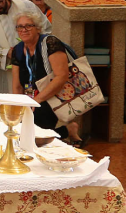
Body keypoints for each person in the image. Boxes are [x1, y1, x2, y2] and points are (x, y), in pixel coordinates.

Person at [10, 12, 80, 140]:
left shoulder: (50, 43)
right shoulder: (17, 50)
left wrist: (37, 101)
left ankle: (67, 130)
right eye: (20, 27)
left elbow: (61, 76)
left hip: (52, 96)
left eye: (28, 26)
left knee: (38, 134)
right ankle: (66, 131)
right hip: (31, 97)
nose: (23, 30)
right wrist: (19, 106)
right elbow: (17, 85)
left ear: (38, 28)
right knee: (18, 126)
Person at [0, 0, 52, 95]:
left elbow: (46, 29)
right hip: (9, 70)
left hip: (34, 62)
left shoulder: (26, 6)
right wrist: (6, 53)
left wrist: (33, 46)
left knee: (35, 99)